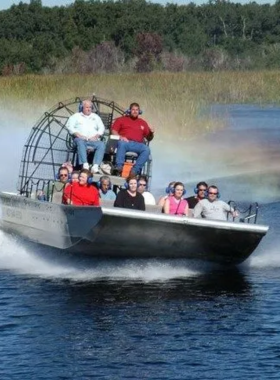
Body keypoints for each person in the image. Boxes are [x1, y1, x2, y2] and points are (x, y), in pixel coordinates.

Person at [111, 102, 154, 176]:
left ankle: (135, 171)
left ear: (139, 112)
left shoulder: (143, 123)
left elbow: (149, 138)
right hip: (125, 142)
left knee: (146, 149)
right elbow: (113, 130)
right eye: (133, 109)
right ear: (129, 111)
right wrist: (120, 137)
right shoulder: (121, 120)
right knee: (121, 143)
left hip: (138, 144)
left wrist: (151, 133)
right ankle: (119, 167)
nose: (135, 111)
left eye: (137, 110)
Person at [66, 99, 105, 173]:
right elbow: (69, 126)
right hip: (80, 139)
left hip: (93, 140)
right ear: (82, 108)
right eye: (87, 107)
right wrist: (77, 134)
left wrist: (97, 135)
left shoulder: (96, 117)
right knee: (80, 143)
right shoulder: (76, 116)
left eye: (90, 107)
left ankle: (95, 166)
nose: (89, 109)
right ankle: (85, 164)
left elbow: (101, 128)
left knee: (101, 144)